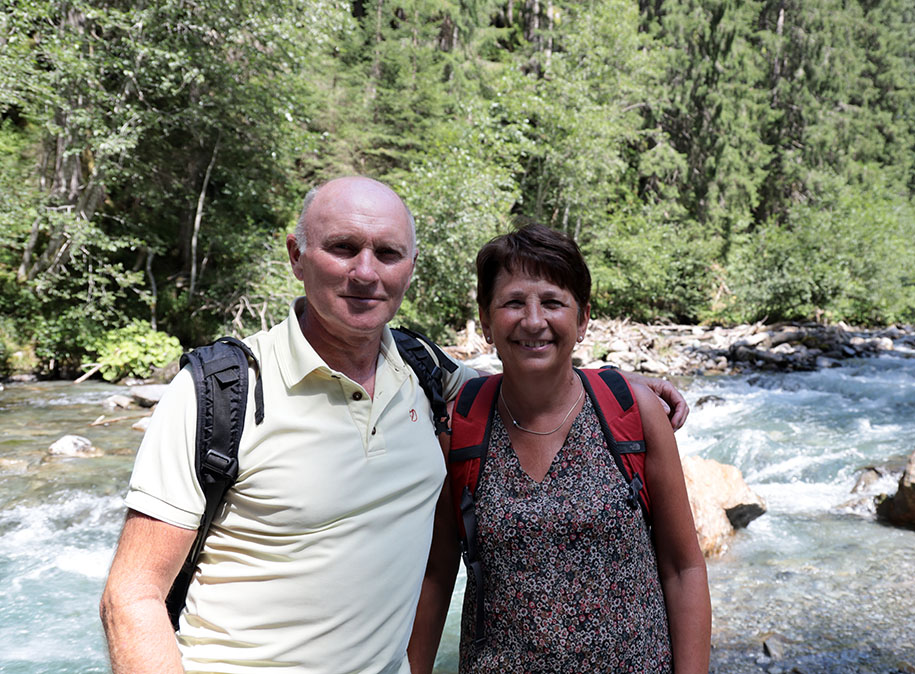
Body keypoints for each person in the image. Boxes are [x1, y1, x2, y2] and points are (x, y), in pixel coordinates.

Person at [100, 177, 688, 674]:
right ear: (296, 256)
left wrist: (631, 386)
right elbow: (132, 595)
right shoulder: (218, 393)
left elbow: (533, 372)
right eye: (342, 247)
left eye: (387, 253)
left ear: (409, 268)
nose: (365, 272)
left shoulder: (427, 375)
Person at [408, 224, 710, 673]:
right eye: (513, 302)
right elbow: (436, 576)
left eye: (552, 302)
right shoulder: (460, 427)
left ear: (583, 319)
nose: (533, 321)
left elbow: (683, 568)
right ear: (487, 321)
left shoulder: (632, 410)